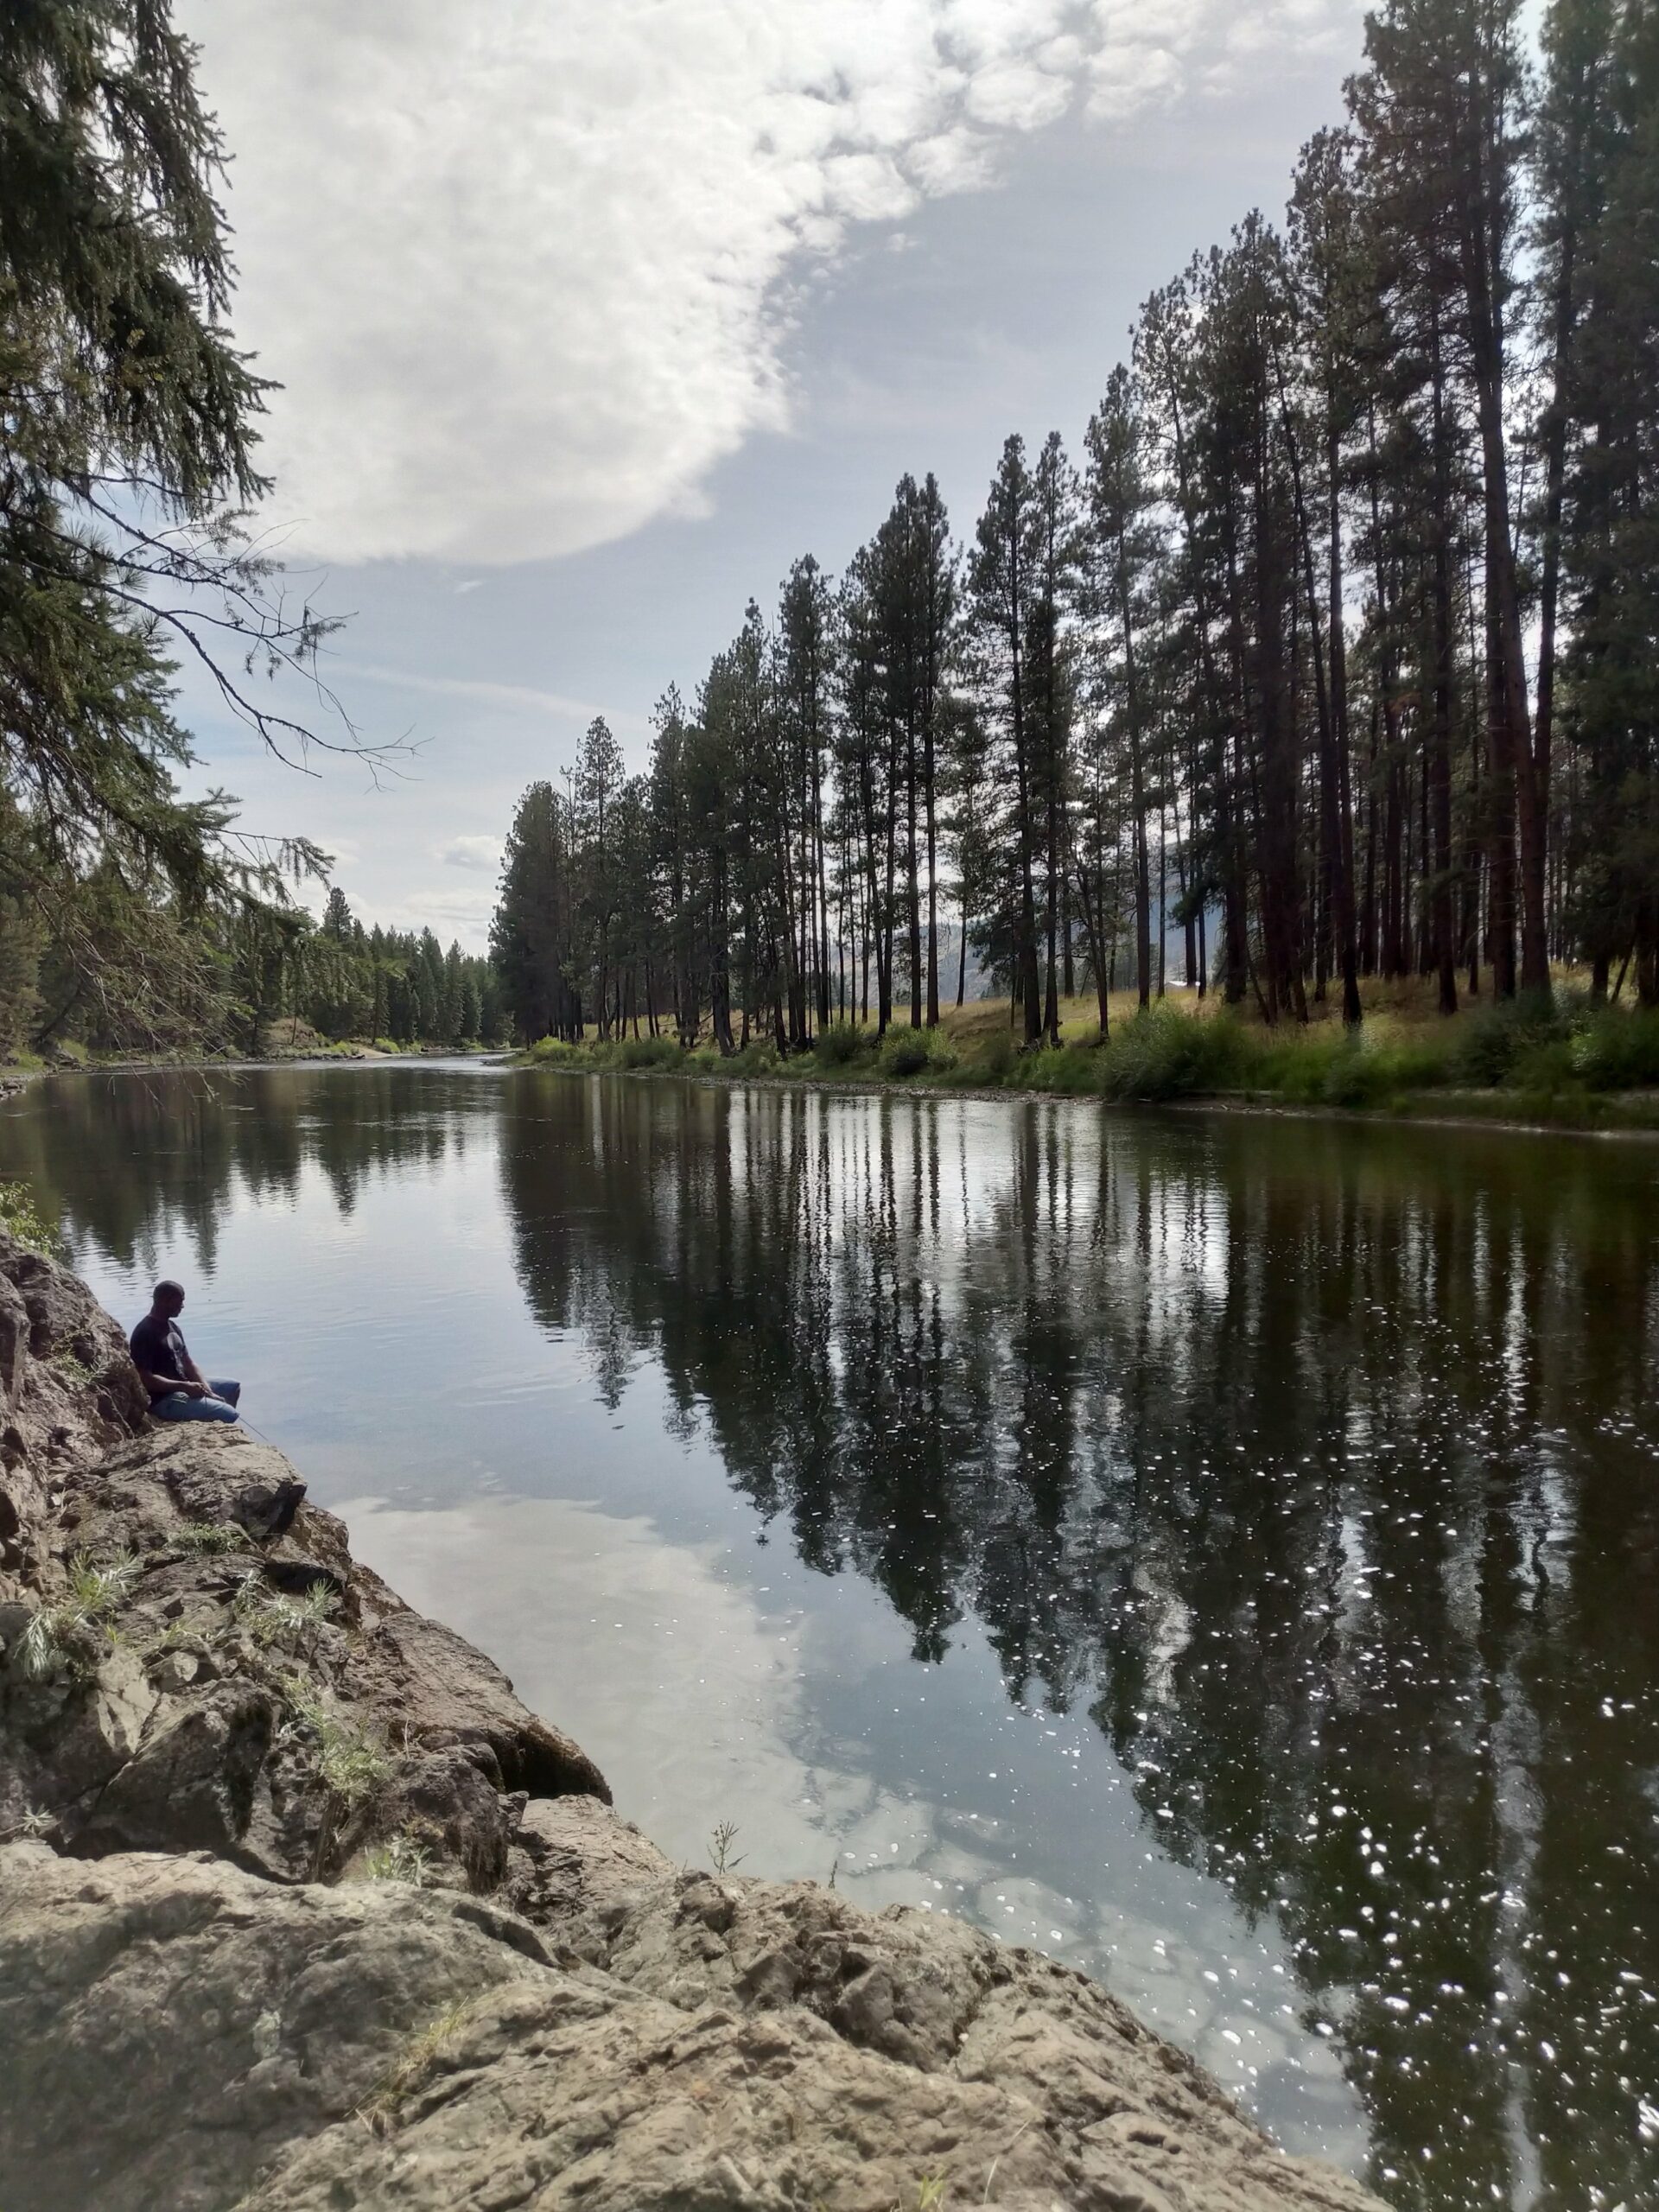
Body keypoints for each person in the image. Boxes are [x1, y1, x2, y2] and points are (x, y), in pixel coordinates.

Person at [130, 1281, 242, 1424]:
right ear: (166, 1300)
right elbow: (145, 1378)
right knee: (228, 1413)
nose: (182, 1306)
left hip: (184, 1386)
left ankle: (210, 1419)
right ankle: (219, 1422)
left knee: (232, 1387)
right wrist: (183, 1387)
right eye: (179, 1301)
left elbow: (188, 1362)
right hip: (164, 1399)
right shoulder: (145, 1332)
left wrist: (208, 1392)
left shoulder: (172, 1326)